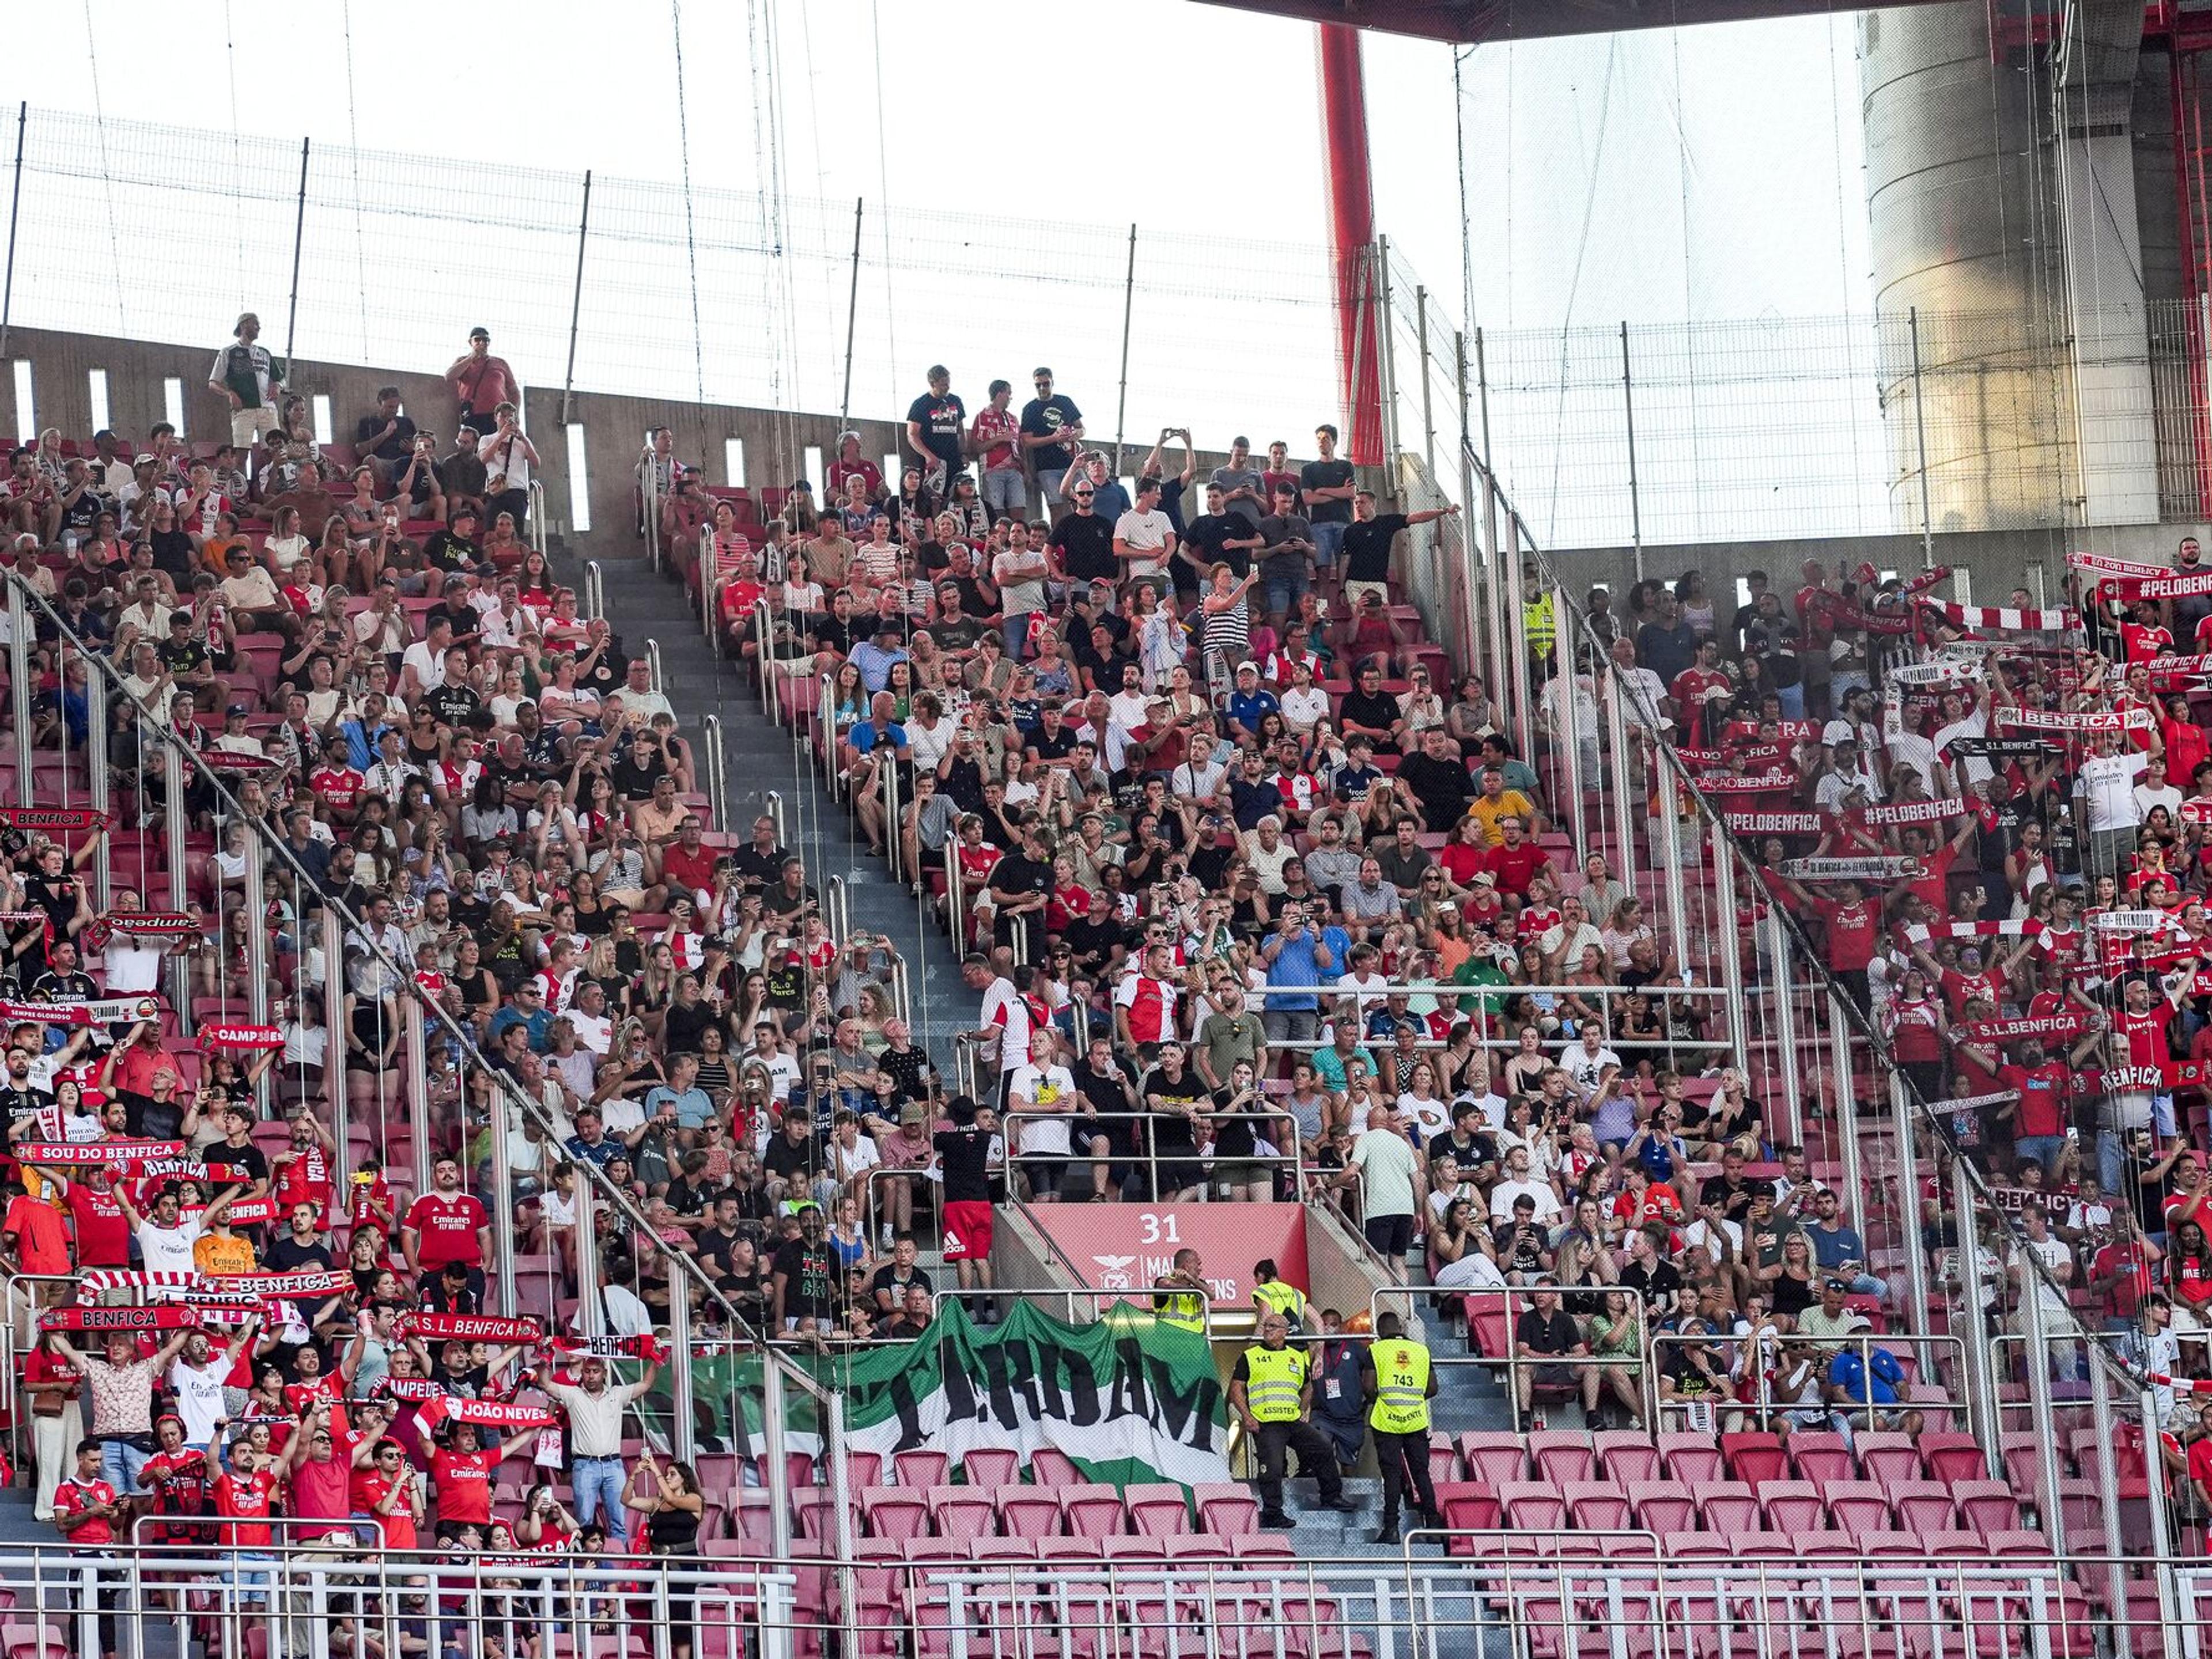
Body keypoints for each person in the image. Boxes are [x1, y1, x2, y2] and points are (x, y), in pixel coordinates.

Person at [1230, 1313, 1360, 1527]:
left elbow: (1308, 1386)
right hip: (1266, 1422)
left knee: (1323, 1448)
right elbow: (1236, 1389)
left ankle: (1331, 1496)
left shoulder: (1297, 1357)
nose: (1267, 1329)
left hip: (1292, 1421)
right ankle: (1273, 1512)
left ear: (1285, 1331)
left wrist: (1303, 1409)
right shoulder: (1250, 1356)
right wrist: (1247, 1416)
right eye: (1266, 1325)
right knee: (1272, 1466)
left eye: (1273, 1326)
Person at [538, 1351, 661, 1548]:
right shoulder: (573, 1394)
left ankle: (620, 1570)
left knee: (619, 1523)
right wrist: (545, 1359)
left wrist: (656, 1361)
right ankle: (586, 1571)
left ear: (604, 1373)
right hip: (585, 1465)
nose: (591, 1375)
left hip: (613, 1464)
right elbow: (545, 1384)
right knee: (585, 1522)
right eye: (587, 1371)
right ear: (582, 1374)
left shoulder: (617, 1394)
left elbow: (646, 1384)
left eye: (596, 1371)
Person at [1360, 1310, 1440, 1545]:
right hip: (1416, 1420)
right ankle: (1434, 1528)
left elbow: (1368, 1387)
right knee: (1422, 1475)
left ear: (1380, 1330)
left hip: (1387, 1422)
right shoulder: (1421, 1351)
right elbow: (1433, 1388)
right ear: (1400, 1329)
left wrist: (1382, 1397)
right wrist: (1414, 1398)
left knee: (1392, 1475)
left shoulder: (1376, 1350)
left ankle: (1392, 1528)